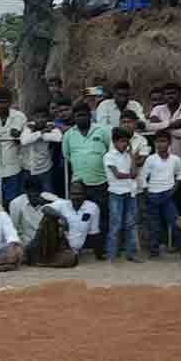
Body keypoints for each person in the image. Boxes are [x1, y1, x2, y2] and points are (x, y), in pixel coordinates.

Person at [61, 104, 112, 258]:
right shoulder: (69, 134)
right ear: (74, 117)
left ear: (90, 116)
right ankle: (80, 246)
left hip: (100, 182)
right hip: (78, 185)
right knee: (78, 217)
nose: (81, 118)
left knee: (102, 216)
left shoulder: (102, 130)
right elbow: (67, 155)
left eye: (84, 115)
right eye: (78, 115)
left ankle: (101, 249)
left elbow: (110, 151)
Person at [30, 182, 101, 267]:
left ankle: (42, 261)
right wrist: (62, 217)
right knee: (48, 218)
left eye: (79, 194)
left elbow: (94, 233)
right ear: (69, 194)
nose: (76, 197)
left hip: (70, 250)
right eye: (73, 194)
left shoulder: (92, 207)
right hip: (55, 243)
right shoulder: (63, 203)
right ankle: (43, 258)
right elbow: (45, 208)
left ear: (85, 194)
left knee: (70, 259)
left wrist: (98, 254)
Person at [142, 131, 181, 257]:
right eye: (158, 141)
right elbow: (143, 177)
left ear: (169, 143)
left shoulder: (175, 159)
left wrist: (173, 190)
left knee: (175, 223)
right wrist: (147, 193)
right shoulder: (150, 159)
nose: (160, 144)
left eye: (163, 141)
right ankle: (154, 250)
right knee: (154, 225)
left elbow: (180, 174)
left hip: (168, 195)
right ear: (155, 143)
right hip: (153, 195)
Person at [104, 127, 141, 262]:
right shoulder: (109, 156)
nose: (125, 144)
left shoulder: (127, 155)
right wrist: (130, 175)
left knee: (130, 224)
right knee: (116, 225)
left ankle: (130, 254)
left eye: (126, 141)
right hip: (116, 193)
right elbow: (117, 175)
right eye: (122, 141)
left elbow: (135, 172)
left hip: (130, 192)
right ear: (114, 142)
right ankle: (111, 255)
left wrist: (131, 155)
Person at [9, 175, 60, 248]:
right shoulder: (15, 204)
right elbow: (14, 229)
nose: (34, 195)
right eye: (31, 192)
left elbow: (64, 210)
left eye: (37, 193)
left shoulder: (51, 199)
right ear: (25, 191)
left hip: (48, 243)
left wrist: (47, 203)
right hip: (27, 244)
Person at [21, 109, 62, 195]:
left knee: (48, 196)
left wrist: (36, 135)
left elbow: (58, 138)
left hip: (45, 169)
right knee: (28, 196)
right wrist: (41, 132)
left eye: (43, 117)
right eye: (37, 117)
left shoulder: (51, 126)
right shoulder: (28, 126)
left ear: (47, 118)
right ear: (33, 118)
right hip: (28, 168)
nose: (40, 120)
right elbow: (24, 140)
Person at [147, 83, 181, 155]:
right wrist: (172, 124)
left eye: (173, 93)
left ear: (179, 94)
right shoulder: (157, 109)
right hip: (161, 153)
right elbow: (150, 126)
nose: (170, 96)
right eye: (167, 94)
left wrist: (162, 129)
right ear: (163, 96)